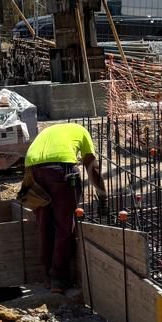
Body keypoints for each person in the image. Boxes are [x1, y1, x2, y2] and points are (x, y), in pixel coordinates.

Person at [22, 121, 104, 293]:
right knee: (65, 226)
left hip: (33, 171)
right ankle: (59, 278)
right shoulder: (82, 131)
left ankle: (47, 276)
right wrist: (103, 196)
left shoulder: (48, 131)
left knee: (44, 225)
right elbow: (92, 167)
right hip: (62, 170)